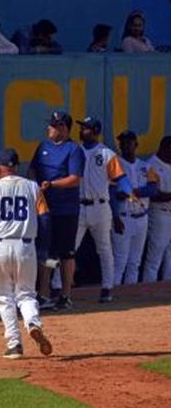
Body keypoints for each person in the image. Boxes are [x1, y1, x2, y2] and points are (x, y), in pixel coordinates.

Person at [0, 149, 53, 360]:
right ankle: (32, 321)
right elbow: (45, 221)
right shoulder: (32, 187)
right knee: (26, 293)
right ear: (16, 166)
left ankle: (15, 343)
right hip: (26, 246)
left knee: (3, 296)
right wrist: (42, 247)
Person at [29, 111, 84, 311]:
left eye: (53, 125)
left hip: (66, 209)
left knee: (66, 253)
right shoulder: (43, 147)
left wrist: (52, 184)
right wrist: (34, 185)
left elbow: (74, 179)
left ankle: (65, 295)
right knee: (45, 252)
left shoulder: (73, 150)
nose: (49, 129)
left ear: (63, 128)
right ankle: (43, 294)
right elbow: (33, 169)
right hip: (44, 208)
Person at [74, 117, 132, 303]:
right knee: (69, 249)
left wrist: (129, 192)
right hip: (79, 206)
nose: (83, 130)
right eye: (82, 127)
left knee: (105, 249)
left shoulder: (107, 154)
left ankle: (107, 287)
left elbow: (120, 179)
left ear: (96, 131)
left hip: (100, 206)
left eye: (87, 128)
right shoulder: (75, 151)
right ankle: (59, 287)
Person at [112, 131, 158, 285]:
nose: (125, 145)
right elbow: (112, 193)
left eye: (128, 142)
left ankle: (130, 299)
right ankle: (114, 294)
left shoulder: (145, 166)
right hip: (123, 216)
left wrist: (134, 192)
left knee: (135, 262)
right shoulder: (115, 165)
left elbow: (153, 189)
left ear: (136, 145)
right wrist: (115, 217)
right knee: (120, 261)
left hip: (141, 217)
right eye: (122, 143)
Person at [142, 136, 171, 282]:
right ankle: (148, 291)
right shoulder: (151, 165)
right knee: (155, 255)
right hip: (159, 213)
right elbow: (153, 194)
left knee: (170, 255)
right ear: (164, 148)